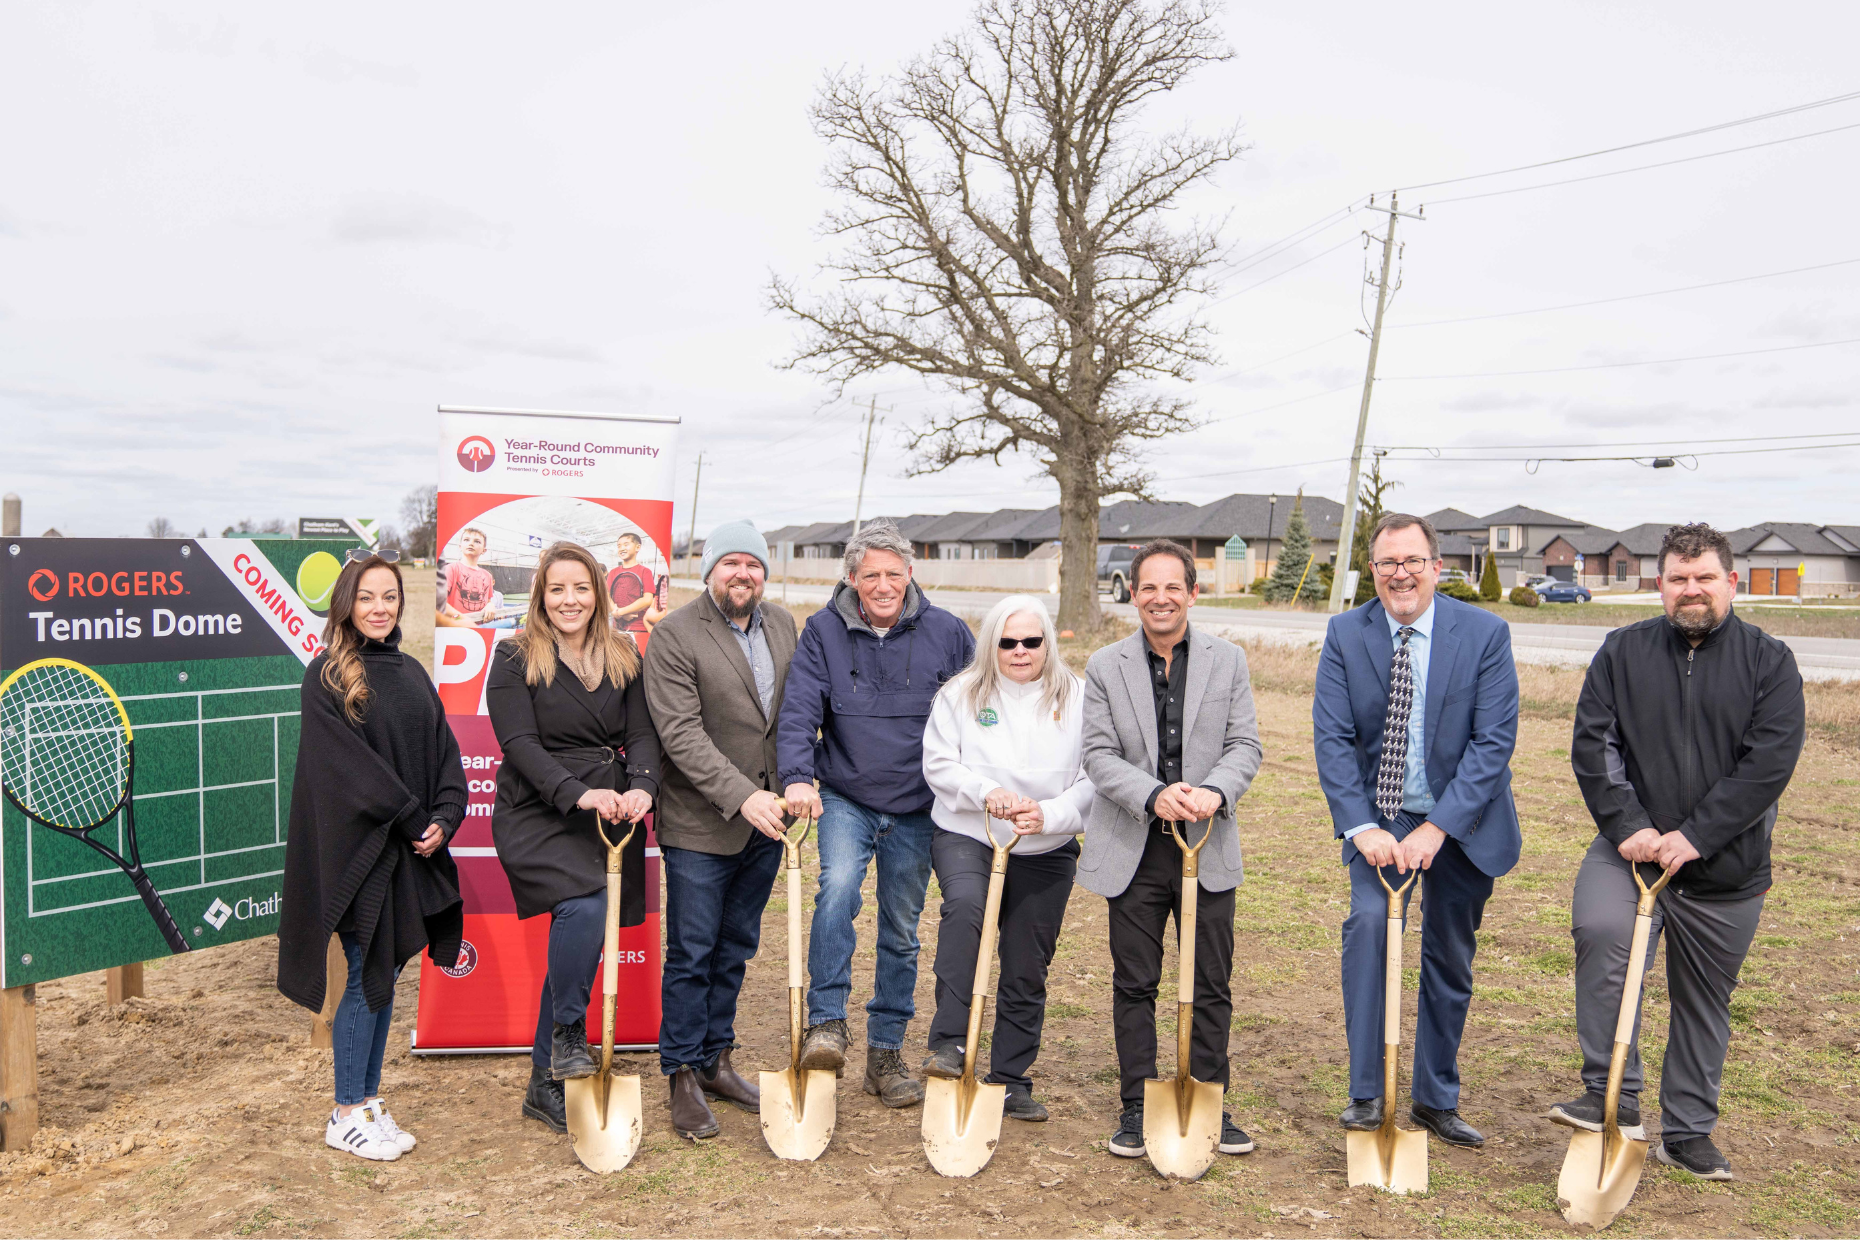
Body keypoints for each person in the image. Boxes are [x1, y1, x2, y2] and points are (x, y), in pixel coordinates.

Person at [1561, 523, 1803, 1181]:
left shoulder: (1769, 662)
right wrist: (1629, 826)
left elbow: (1769, 762)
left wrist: (1697, 836)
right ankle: (1612, 1094)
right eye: (1677, 578)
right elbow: (1594, 746)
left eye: (1703, 578)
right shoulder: (1622, 652)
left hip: (1726, 864)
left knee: (1703, 999)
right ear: (1660, 584)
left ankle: (1689, 1132)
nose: (1690, 590)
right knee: (1602, 928)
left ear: (1731, 581)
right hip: (1632, 850)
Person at [1312, 513, 1520, 1150]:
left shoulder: (1484, 633)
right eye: (1385, 564)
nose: (1399, 573)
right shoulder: (1347, 633)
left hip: (1463, 818)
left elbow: (1493, 742)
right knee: (1371, 926)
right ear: (1371, 572)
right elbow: (1334, 741)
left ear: (1436, 567)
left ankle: (1434, 1097)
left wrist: (1439, 828)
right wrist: (1360, 826)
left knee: (1447, 956)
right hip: (1381, 814)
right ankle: (1368, 1091)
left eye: (1411, 561)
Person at [778, 520, 976, 1107]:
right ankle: (827, 1024)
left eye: (894, 573)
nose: (884, 585)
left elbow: (977, 710)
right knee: (836, 889)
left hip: (919, 804)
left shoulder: (948, 633)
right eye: (871, 576)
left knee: (901, 927)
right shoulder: (822, 632)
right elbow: (798, 711)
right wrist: (796, 776)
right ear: (851, 579)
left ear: (911, 573)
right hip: (845, 794)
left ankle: (885, 1053)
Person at [278, 554, 467, 1162]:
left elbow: (445, 754)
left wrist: (443, 817)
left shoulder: (412, 672)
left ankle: (367, 1098)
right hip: (364, 854)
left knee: (385, 975)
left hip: (410, 850)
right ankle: (345, 1112)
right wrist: (413, 817)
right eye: (367, 598)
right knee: (363, 974)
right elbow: (348, 772)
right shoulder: (328, 676)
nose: (380, 608)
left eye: (389, 597)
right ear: (346, 605)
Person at [1079, 539, 1263, 1160]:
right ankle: (1137, 1103)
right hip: (1136, 845)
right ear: (1132, 595)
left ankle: (1209, 1094)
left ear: (1193, 592)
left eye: (1172, 587)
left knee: (1211, 981)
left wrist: (1214, 791)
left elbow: (1246, 746)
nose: (1161, 598)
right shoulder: (1105, 666)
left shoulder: (1228, 660)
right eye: (1147, 588)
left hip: (1206, 844)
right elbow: (1098, 755)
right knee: (1136, 981)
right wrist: (1153, 793)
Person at [487, 541, 660, 1135]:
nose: (570, 600)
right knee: (586, 908)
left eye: (581, 588)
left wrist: (642, 787)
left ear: (599, 594)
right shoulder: (513, 656)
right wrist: (577, 793)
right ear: (541, 594)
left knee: (582, 925)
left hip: (610, 809)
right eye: (557, 589)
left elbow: (642, 734)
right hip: (538, 808)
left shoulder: (623, 653)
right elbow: (519, 746)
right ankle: (566, 1033)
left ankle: (545, 1080)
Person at [642, 520, 799, 1139]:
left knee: (736, 948)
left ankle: (716, 1061)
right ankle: (680, 1071)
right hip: (701, 825)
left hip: (767, 823)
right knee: (692, 952)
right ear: (709, 572)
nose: (744, 574)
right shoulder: (676, 634)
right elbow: (679, 734)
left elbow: (791, 714)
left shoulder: (784, 624)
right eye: (731, 563)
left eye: (754, 565)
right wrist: (744, 797)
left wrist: (793, 786)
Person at [920, 595, 1091, 1123]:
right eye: (1007, 642)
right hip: (971, 835)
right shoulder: (961, 694)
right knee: (967, 912)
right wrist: (985, 790)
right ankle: (949, 1044)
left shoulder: (1080, 697)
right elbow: (939, 763)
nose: (1019, 652)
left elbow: (1094, 778)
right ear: (991, 643)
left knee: (1026, 960)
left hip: (1045, 846)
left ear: (1049, 643)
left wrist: (1052, 814)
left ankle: (1012, 1078)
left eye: (1031, 642)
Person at [436, 526, 513, 628]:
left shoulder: (488, 576)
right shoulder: (450, 569)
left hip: (480, 629)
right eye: (466, 540)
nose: (471, 543)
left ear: (484, 550)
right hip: (454, 628)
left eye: (477, 541)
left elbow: (488, 601)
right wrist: (461, 619)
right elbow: (441, 604)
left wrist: (490, 605)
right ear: (460, 546)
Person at [607, 531, 658, 638]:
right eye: (619, 546)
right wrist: (616, 613)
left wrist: (621, 612)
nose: (621, 548)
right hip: (617, 629)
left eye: (626, 544)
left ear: (637, 547)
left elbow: (647, 600)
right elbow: (606, 596)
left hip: (638, 628)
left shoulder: (645, 571)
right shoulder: (613, 572)